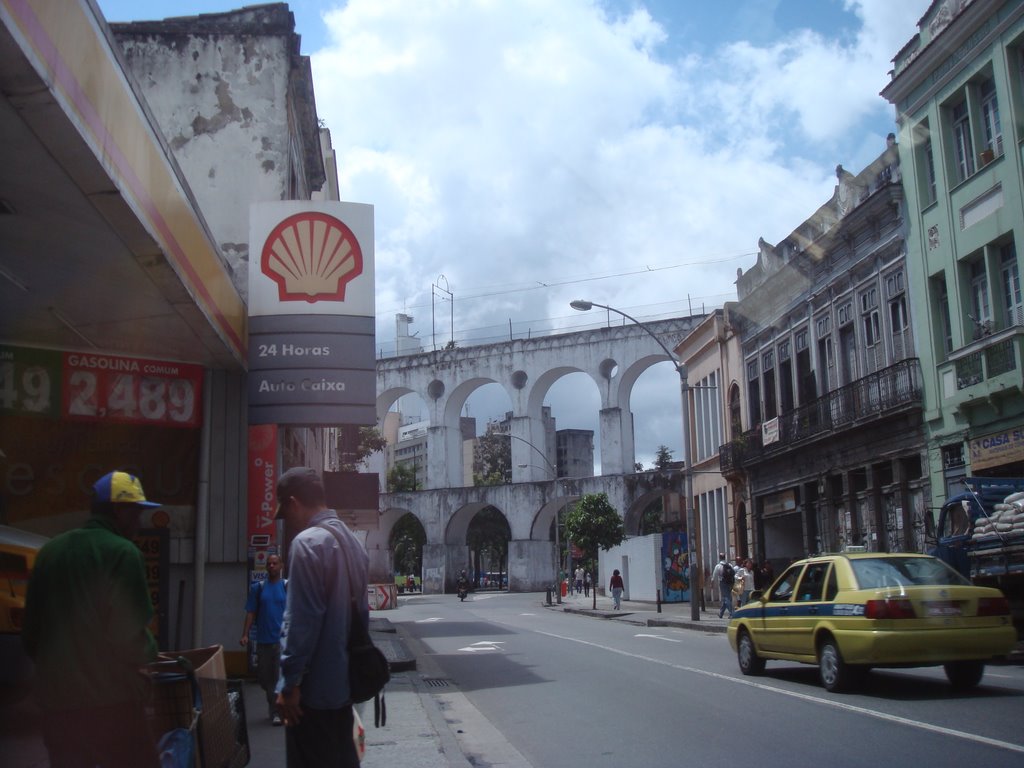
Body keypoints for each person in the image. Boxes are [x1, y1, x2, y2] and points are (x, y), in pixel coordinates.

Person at [22, 470, 161, 768]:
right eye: (136, 513)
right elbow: (128, 636)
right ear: (119, 511)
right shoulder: (123, 553)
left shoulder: (49, 551)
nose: (140, 522)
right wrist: (150, 655)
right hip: (113, 703)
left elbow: (31, 634)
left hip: (57, 704)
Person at [275, 467, 368, 768]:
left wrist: (289, 685)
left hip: (311, 697)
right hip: (343, 688)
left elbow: (302, 622)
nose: (287, 521)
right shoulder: (353, 543)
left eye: (285, 513)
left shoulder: (307, 544)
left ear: (293, 503)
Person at [240, 553, 287, 725]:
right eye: (269, 563)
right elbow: (251, 612)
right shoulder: (258, 588)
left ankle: (276, 711)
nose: (272, 566)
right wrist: (245, 634)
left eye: (275, 563)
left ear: (281, 566)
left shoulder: (287, 587)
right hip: (263, 641)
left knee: (276, 678)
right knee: (265, 679)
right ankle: (274, 705)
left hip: (281, 642)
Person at [710, 553, 734, 619]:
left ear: (719, 558)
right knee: (725, 598)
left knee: (727, 598)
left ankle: (732, 613)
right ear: (725, 557)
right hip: (730, 582)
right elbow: (733, 573)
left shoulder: (718, 566)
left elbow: (714, 576)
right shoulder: (729, 565)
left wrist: (712, 584)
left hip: (723, 582)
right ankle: (721, 613)